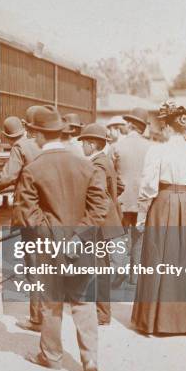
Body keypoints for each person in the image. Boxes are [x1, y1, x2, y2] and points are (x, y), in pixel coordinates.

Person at [18, 105, 109, 371]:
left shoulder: (33, 169)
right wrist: (77, 237)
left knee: (50, 301)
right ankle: (89, 359)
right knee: (83, 302)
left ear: (38, 135)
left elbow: (28, 214)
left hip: (49, 247)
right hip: (81, 245)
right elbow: (99, 210)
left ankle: (51, 355)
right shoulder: (86, 166)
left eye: (34, 133)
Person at [132, 101, 186, 335]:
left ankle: (155, 320)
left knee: (160, 256)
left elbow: (148, 186)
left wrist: (142, 214)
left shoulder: (158, 150)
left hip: (164, 202)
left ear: (167, 127)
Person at [0, 113, 41, 331]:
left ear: (7, 137)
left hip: (29, 212)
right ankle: (43, 314)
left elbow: (8, 176)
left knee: (33, 265)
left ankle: (37, 319)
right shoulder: (36, 144)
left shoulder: (19, 148)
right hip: (44, 212)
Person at [78, 123, 125, 325]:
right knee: (101, 266)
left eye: (84, 143)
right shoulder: (106, 161)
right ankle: (101, 310)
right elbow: (120, 186)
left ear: (92, 144)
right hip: (109, 219)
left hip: (100, 222)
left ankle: (102, 313)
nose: (82, 147)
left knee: (99, 268)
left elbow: (95, 195)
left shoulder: (96, 165)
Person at [111, 107, 153, 283]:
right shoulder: (152, 148)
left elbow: (109, 175)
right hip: (142, 200)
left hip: (121, 200)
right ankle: (135, 275)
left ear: (130, 125)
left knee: (118, 236)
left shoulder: (116, 146)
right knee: (139, 237)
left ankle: (119, 268)